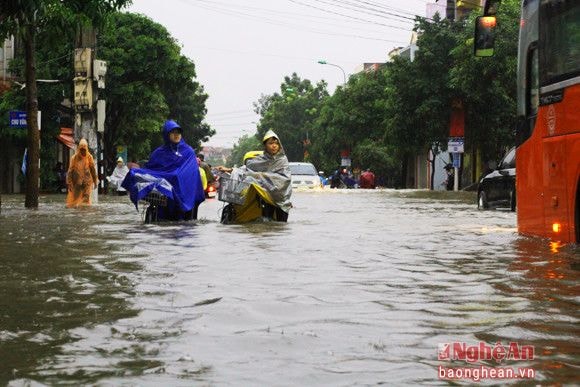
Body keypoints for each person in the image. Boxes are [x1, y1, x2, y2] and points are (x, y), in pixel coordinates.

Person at [122, 120, 205, 221]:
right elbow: (151, 169)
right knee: (135, 173)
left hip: (184, 185)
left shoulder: (188, 151)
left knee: (176, 177)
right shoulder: (158, 152)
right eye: (173, 132)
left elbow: (191, 171)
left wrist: (176, 175)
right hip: (164, 189)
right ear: (167, 134)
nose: (176, 135)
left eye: (178, 132)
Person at [217, 130, 292, 222]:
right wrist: (230, 170)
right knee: (248, 180)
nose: (274, 146)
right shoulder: (258, 160)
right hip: (261, 196)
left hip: (278, 198)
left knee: (281, 225)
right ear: (265, 145)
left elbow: (284, 180)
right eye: (271, 143)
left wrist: (259, 176)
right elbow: (245, 170)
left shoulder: (282, 160)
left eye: (276, 143)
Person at [66, 138, 98, 208]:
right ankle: (77, 210)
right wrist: (69, 183)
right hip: (77, 181)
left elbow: (93, 170)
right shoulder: (74, 158)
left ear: (86, 149)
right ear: (79, 149)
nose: (83, 152)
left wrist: (95, 181)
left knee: (86, 198)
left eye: (84, 150)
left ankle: (83, 213)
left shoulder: (89, 157)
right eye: (81, 150)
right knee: (75, 200)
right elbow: (70, 171)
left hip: (87, 181)